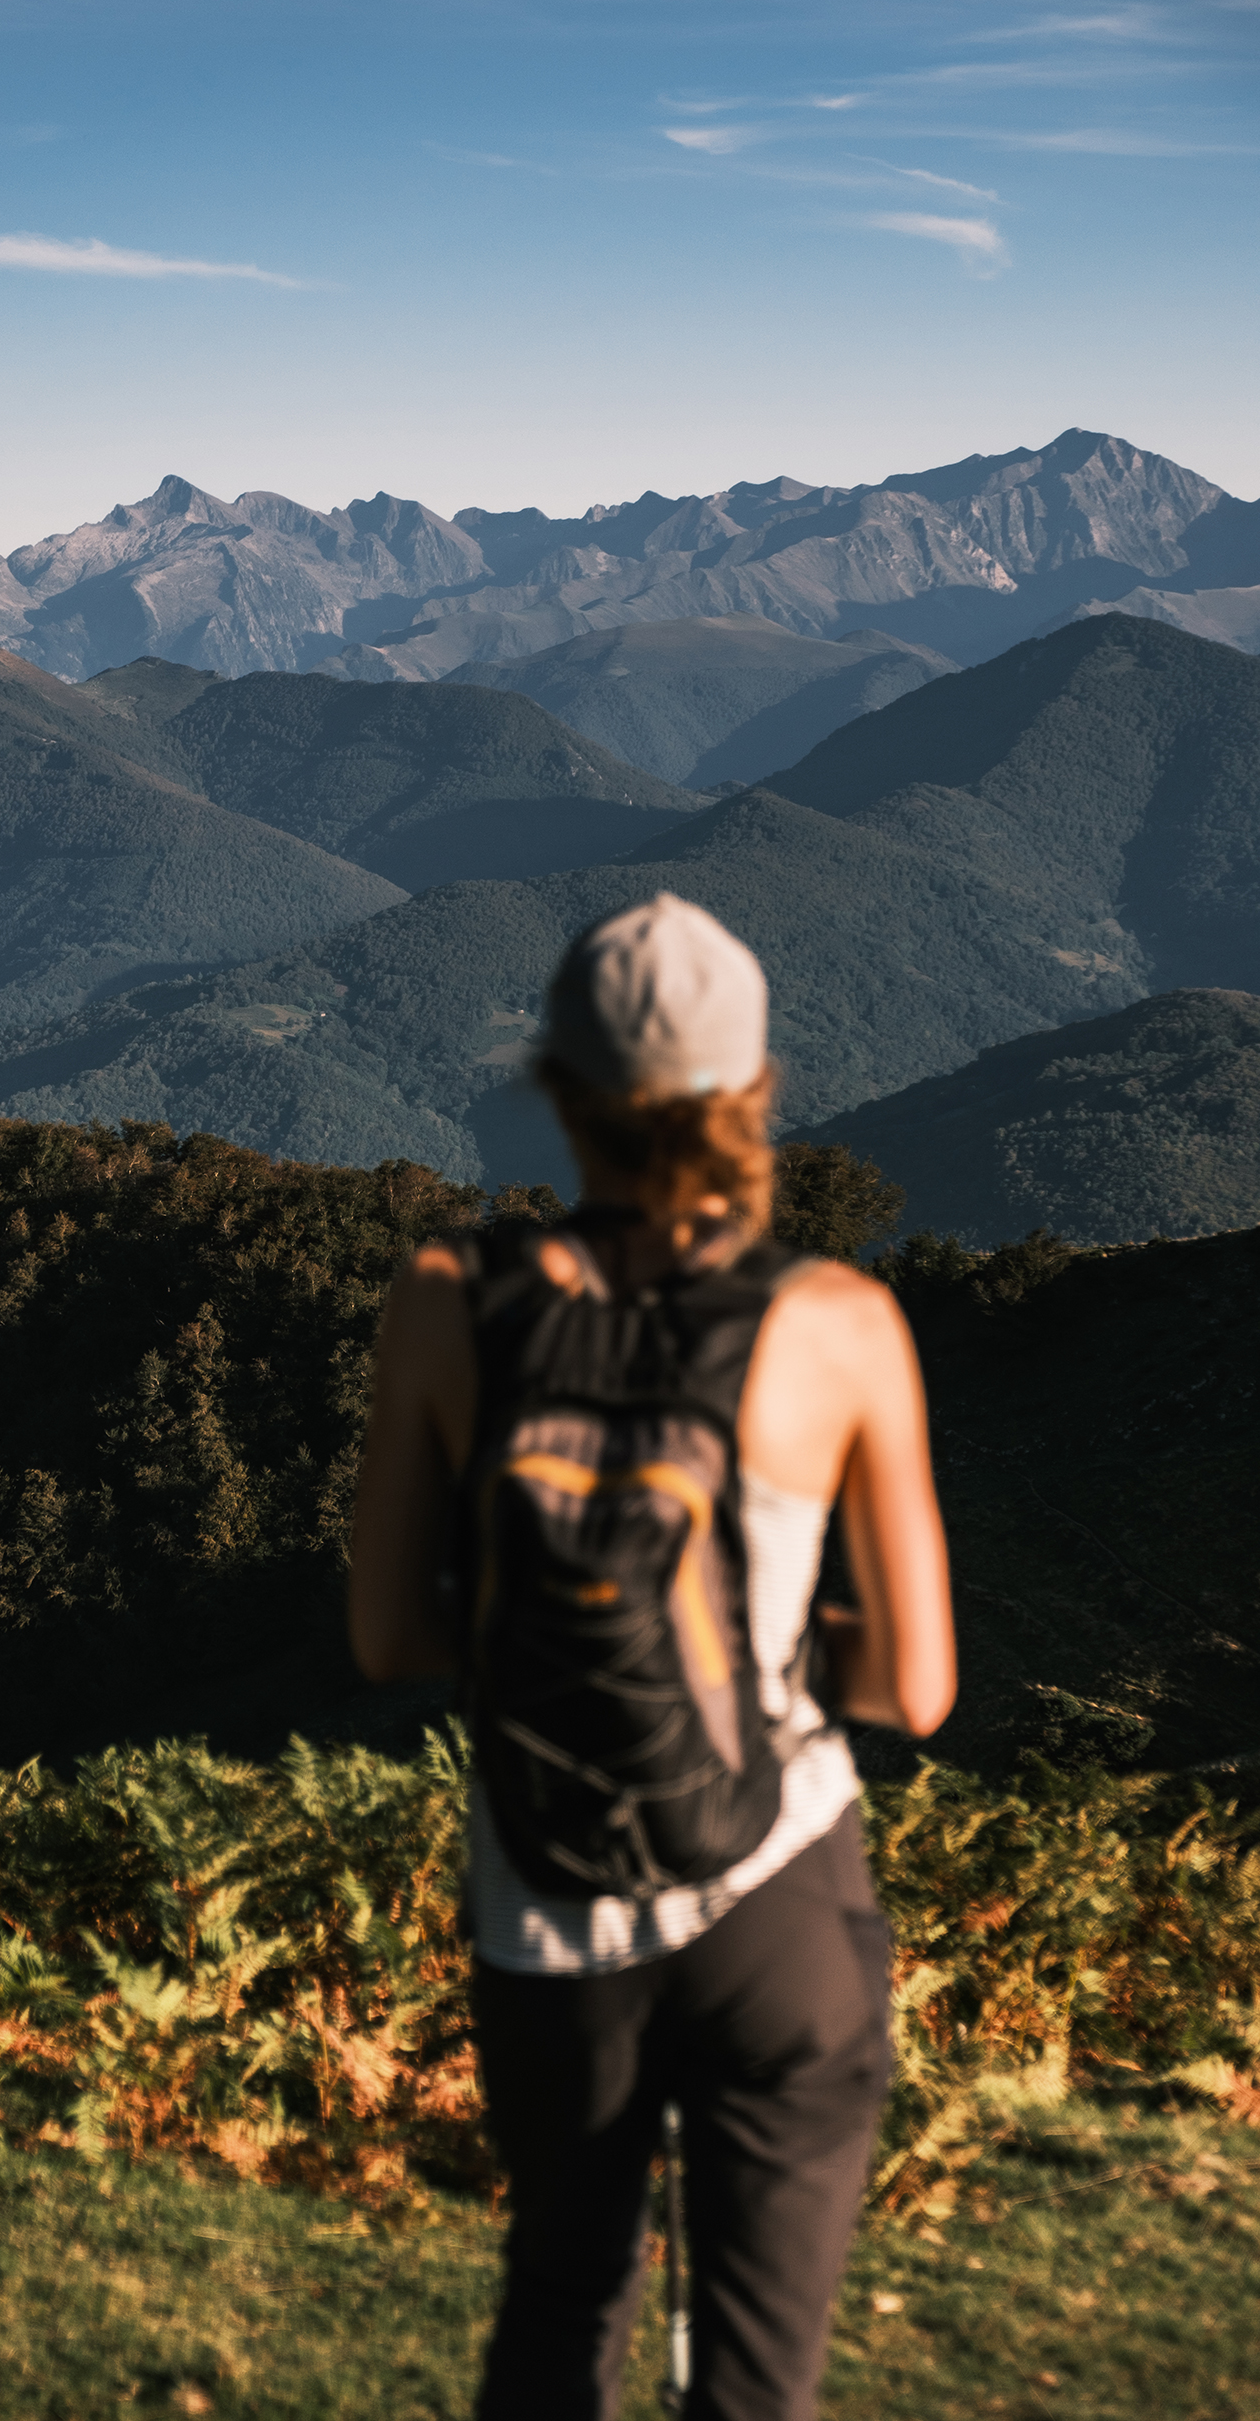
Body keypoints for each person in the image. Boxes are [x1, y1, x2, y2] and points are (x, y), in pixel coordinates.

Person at [349, 893, 955, 2421]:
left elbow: (392, 1635)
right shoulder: (835, 1324)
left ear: (559, 1092)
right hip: (777, 1902)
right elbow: (916, 1687)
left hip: (547, 1908)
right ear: (752, 1094)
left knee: (561, 2307)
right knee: (757, 2376)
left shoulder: (449, 1303)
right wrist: (780, 1658)